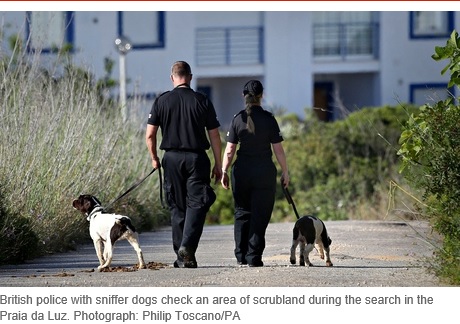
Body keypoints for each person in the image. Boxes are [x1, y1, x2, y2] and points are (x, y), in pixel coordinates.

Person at [146, 61, 222, 268]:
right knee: (197, 204)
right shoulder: (202, 100)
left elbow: (150, 135)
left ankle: (182, 254)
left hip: (171, 159)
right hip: (197, 159)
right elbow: (214, 135)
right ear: (189, 77)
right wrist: (218, 164)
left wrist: (154, 158)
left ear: (173, 78)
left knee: (177, 206)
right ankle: (186, 249)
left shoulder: (162, 101)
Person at [221, 79, 289, 267]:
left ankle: (241, 255)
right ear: (262, 96)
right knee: (260, 214)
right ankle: (254, 256)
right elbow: (279, 150)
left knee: (242, 212)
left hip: (241, 172)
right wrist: (285, 172)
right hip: (264, 173)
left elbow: (229, 150)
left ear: (244, 96)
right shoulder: (269, 119)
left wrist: (224, 171)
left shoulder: (237, 118)